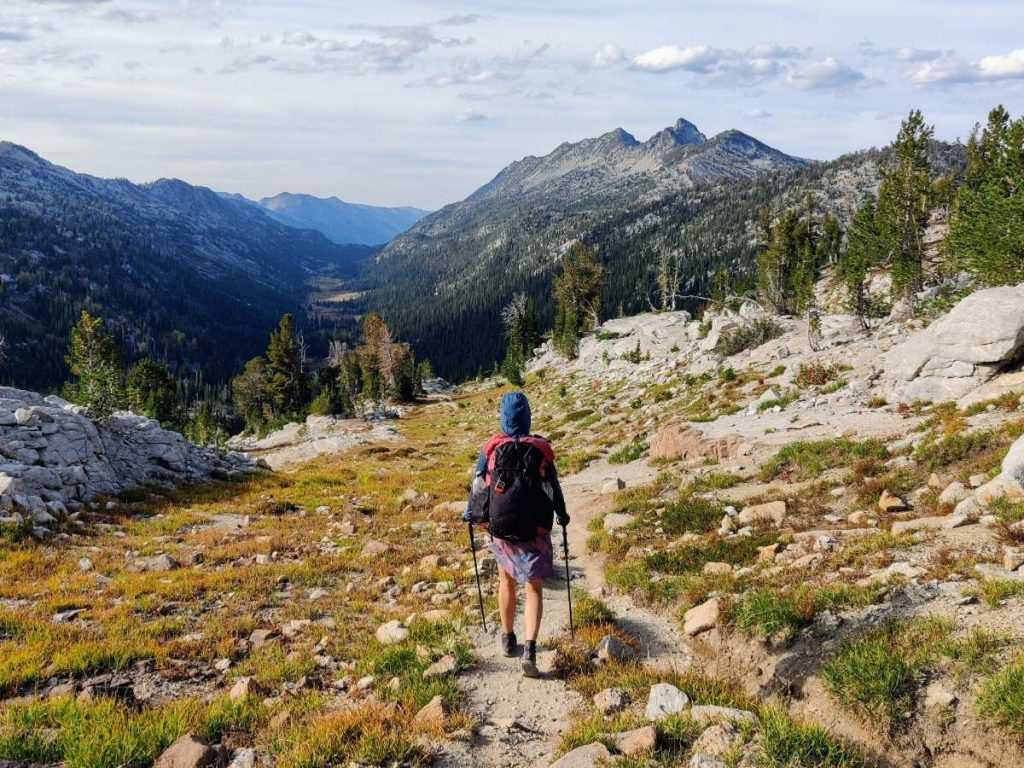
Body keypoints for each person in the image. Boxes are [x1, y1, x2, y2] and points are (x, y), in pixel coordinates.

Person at [464, 391, 569, 678]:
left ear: (504, 418)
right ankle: (530, 649)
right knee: (533, 587)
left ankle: (509, 639)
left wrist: (469, 514)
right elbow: (554, 488)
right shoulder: (541, 449)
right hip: (535, 529)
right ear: (527, 418)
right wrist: (562, 515)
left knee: (505, 580)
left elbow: (477, 485)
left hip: (502, 530)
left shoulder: (491, 447)